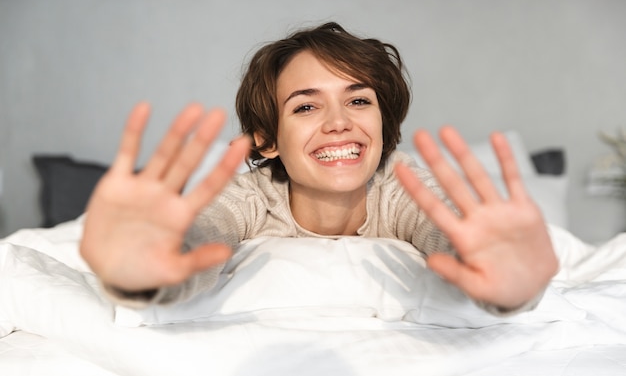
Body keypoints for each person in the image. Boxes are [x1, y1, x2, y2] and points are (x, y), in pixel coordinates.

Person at [80, 22, 558, 313]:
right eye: (306, 107)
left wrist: (503, 281)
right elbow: (201, 237)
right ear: (267, 139)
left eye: (358, 100)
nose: (339, 123)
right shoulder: (250, 197)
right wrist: (145, 273)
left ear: (383, 123)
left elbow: (448, 231)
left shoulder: (404, 185)